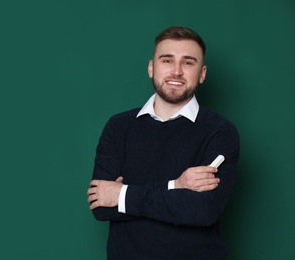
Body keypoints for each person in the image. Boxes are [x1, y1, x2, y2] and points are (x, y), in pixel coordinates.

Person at [86, 26, 240, 260]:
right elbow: (102, 204)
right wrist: (176, 187)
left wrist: (122, 195)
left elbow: (202, 210)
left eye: (188, 63)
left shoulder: (220, 131)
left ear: (202, 73)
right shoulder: (119, 127)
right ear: (151, 67)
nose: (176, 71)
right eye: (167, 60)